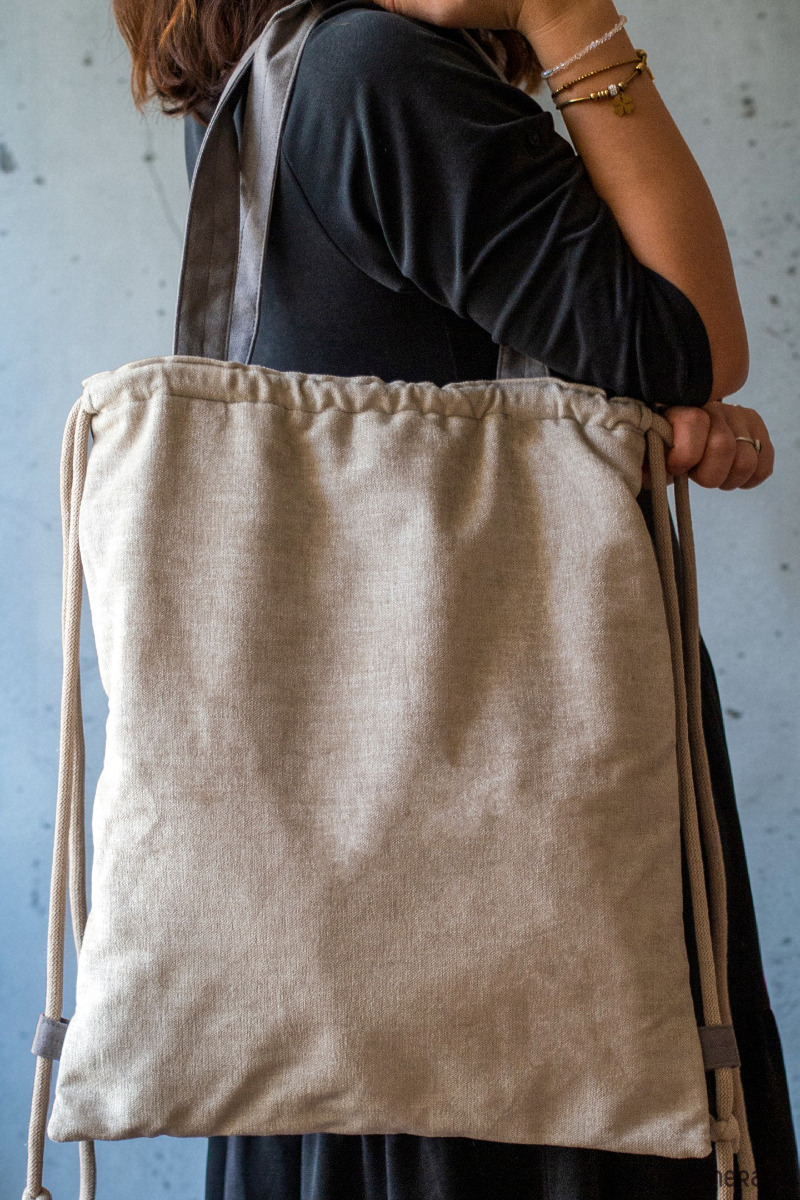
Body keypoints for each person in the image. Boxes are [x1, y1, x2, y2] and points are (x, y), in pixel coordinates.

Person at [112, 0, 799, 1196]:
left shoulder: (283, 88)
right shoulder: (371, 72)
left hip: (363, 871)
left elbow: (609, 360)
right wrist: (566, 15)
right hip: (501, 829)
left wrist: (636, 411)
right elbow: (692, 337)